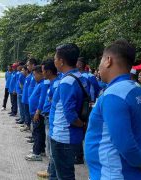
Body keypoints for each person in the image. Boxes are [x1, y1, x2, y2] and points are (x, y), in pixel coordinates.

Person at [85, 40, 141, 180]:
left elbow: (124, 141)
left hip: (112, 172)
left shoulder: (114, 94)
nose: (99, 66)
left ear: (108, 61)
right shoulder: (135, 89)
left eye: (101, 61)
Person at [48, 43, 88, 179]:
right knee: (56, 172)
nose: (54, 61)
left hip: (63, 136)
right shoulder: (80, 77)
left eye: (55, 58)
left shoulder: (67, 82)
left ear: (61, 61)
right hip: (65, 135)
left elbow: (70, 114)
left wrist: (81, 124)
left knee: (64, 175)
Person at [37, 59, 60, 178]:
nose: (42, 73)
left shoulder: (56, 84)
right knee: (51, 148)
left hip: (51, 119)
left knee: (52, 150)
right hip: (48, 117)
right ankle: (51, 171)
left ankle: (52, 174)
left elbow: (54, 105)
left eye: (43, 71)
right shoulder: (52, 83)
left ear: (49, 72)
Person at [25, 65, 46, 161]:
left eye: (35, 75)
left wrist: (38, 112)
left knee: (38, 132)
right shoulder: (39, 83)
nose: (34, 77)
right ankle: (40, 149)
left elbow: (42, 100)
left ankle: (36, 153)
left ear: (41, 74)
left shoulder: (43, 84)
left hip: (37, 112)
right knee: (39, 131)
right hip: (34, 111)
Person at [20, 58, 38, 132]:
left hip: (30, 100)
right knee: (28, 114)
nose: (27, 67)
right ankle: (28, 126)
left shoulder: (35, 76)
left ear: (33, 65)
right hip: (27, 99)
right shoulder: (30, 76)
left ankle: (29, 127)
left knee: (33, 117)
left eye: (28, 65)